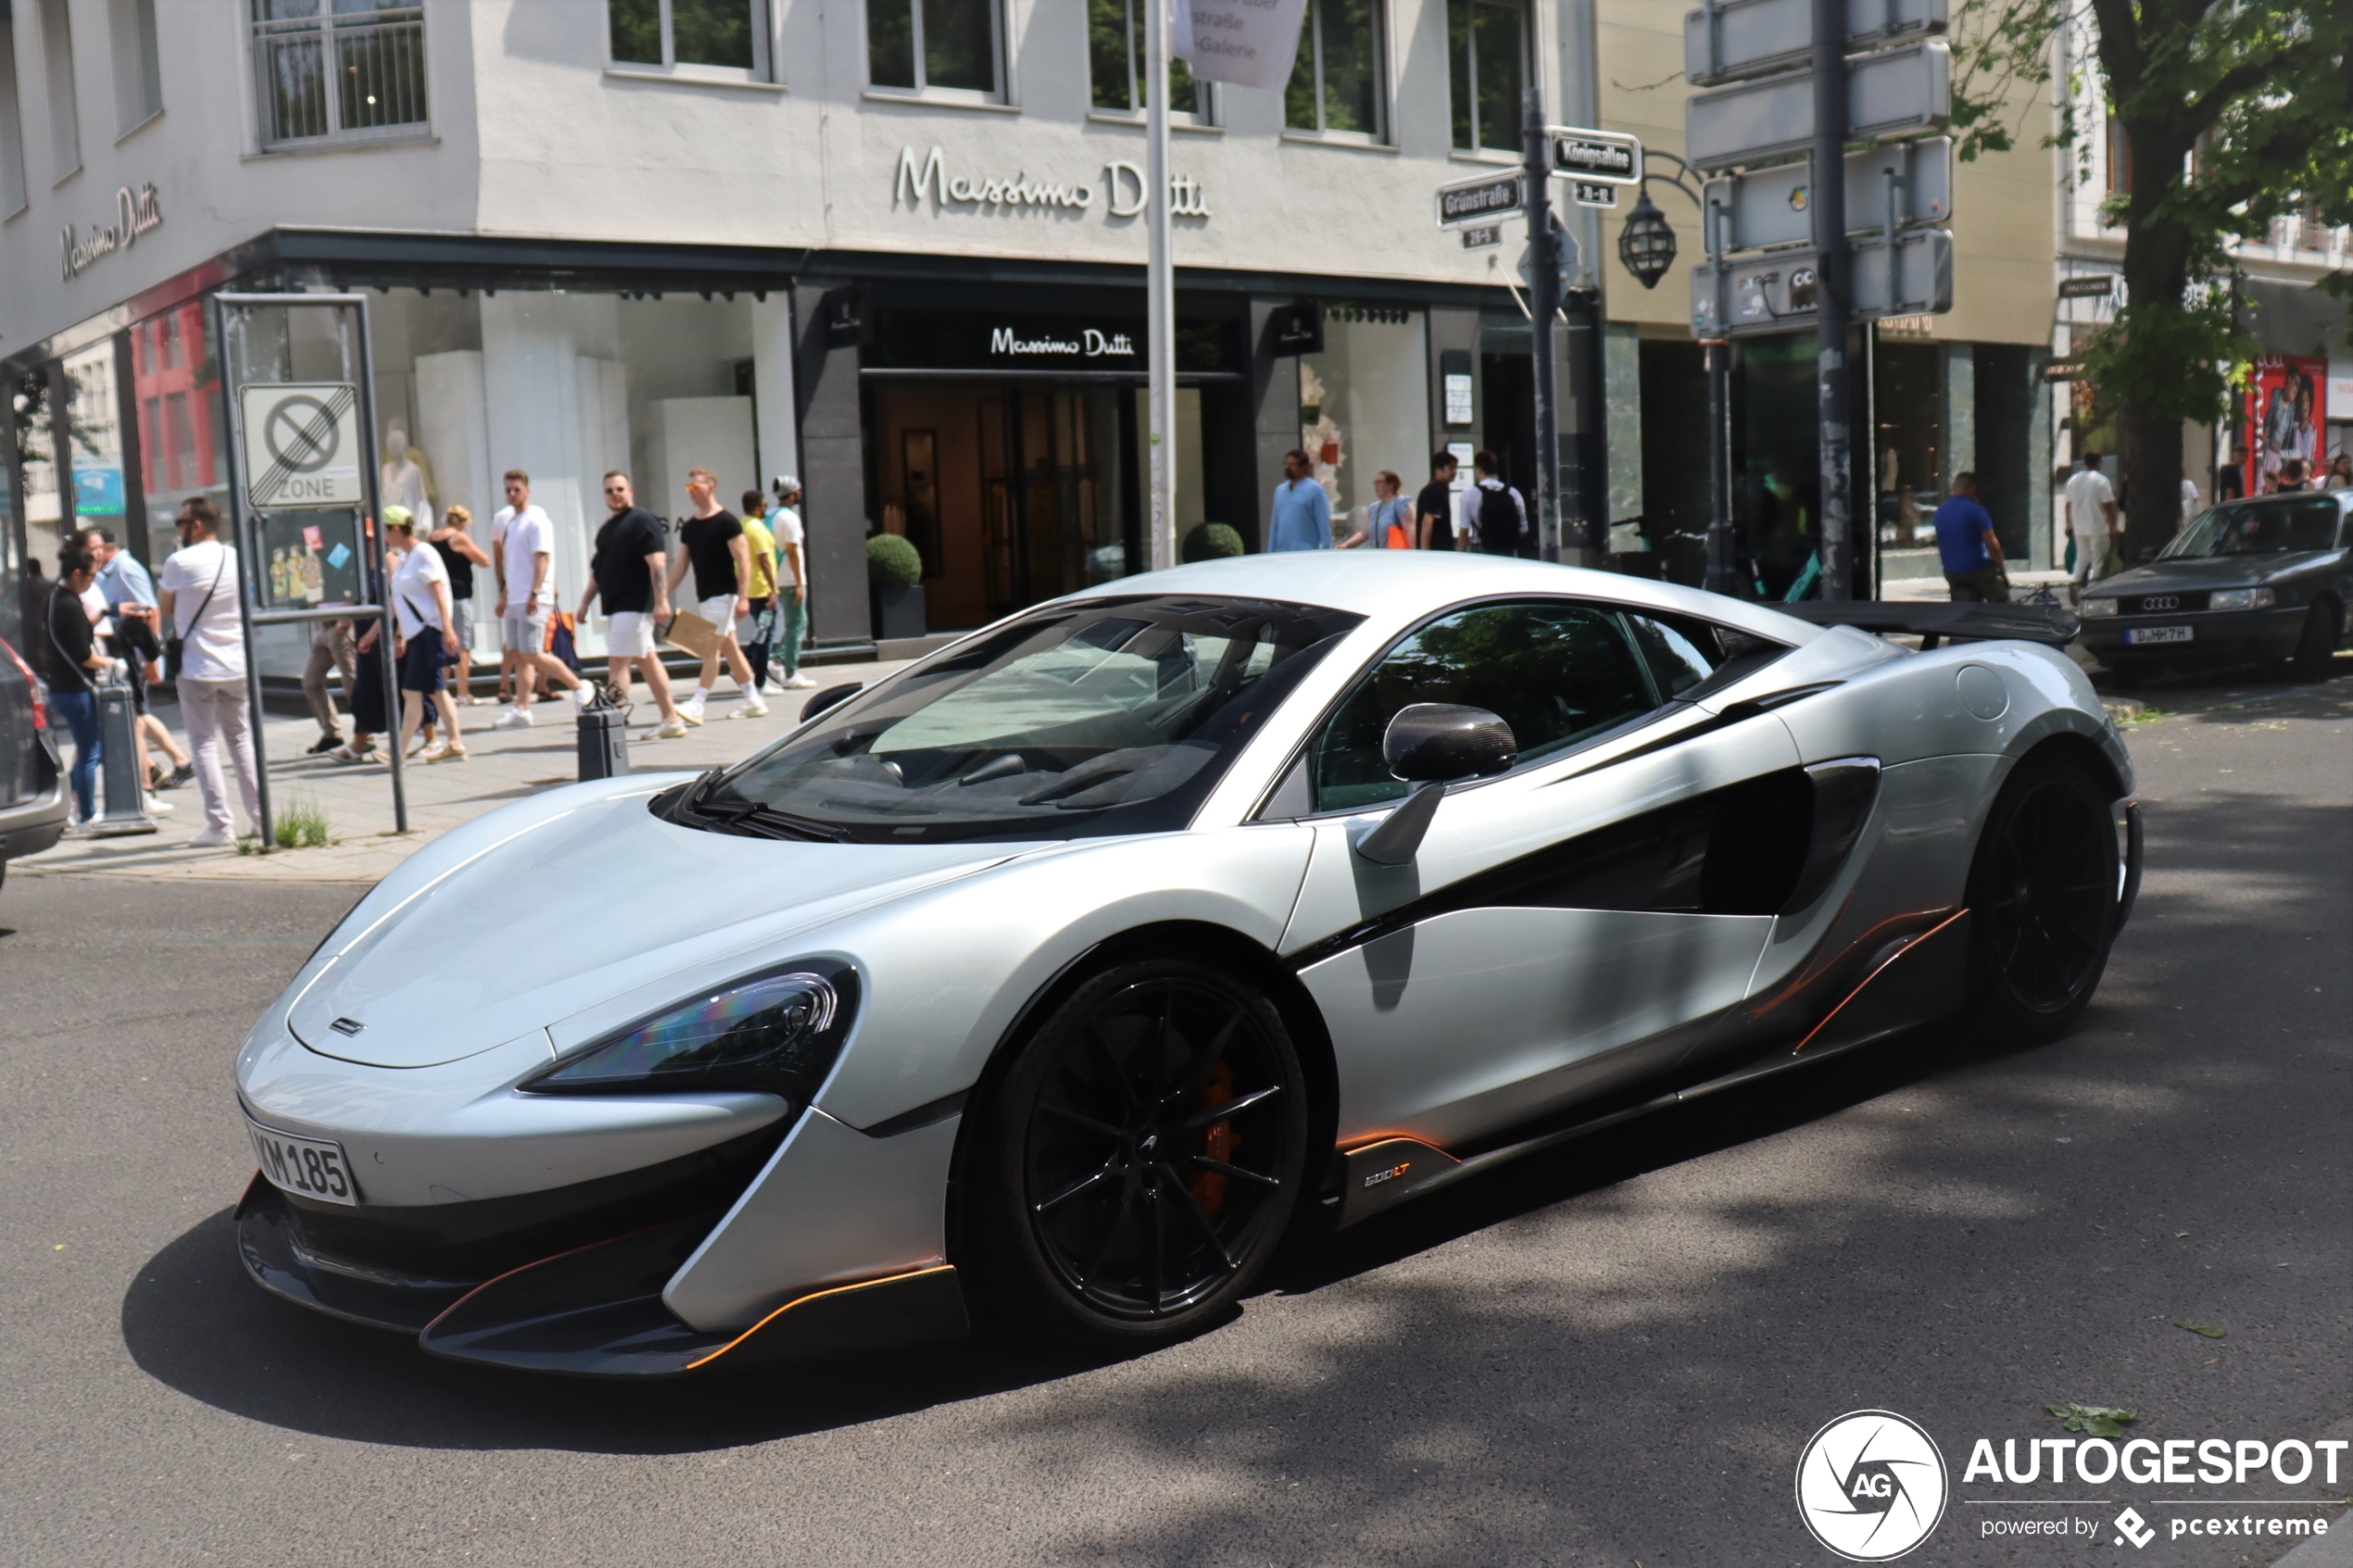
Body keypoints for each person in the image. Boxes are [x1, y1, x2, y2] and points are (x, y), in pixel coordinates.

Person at [157, 497, 260, 848]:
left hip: (198, 665)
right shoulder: (235, 556)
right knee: (241, 739)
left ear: (196, 525)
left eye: (180, 522)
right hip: (236, 662)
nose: (179, 529)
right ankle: (262, 819)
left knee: (203, 744)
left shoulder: (178, 562)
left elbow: (165, 607)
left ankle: (219, 825)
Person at [81, 525, 192, 797]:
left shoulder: (125, 569)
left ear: (105, 549)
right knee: (137, 715)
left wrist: (152, 658)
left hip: (136, 656)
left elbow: (150, 610)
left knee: (135, 717)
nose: (93, 554)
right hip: (124, 653)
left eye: (96, 549)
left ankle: (152, 777)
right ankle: (167, 764)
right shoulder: (107, 573)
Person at [579, 471, 688, 739]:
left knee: (619, 662)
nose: (615, 494)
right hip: (618, 606)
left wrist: (661, 600)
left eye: (619, 489)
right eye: (609, 491)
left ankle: (612, 720)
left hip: (636, 605)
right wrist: (584, 604)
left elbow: (657, 563)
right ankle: (669, 719)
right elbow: (598, 573)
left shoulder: (642, 521)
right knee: (645, 660)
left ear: (630, 490)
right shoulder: (606, 531)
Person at [663, 467, 767, 722]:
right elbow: (680, 565)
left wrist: (743, 597)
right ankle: (753, 699)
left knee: (711, 650)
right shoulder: (689, 527)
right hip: (706, 597)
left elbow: (743, 560)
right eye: (689, 488)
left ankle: (698, 703)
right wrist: (663, 595)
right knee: (730, 649)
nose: (691, 492)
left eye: (695, 487)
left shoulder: (727, 522)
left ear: (710, 487)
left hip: (725, 595)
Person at [488, 469, 586, 730]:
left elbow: (542, 558)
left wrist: (535, 592)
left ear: (527, 491)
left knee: (532, 653)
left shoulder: (536, 519)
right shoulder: (511, 522)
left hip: (532, 598)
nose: (512, 494)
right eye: (508, 489)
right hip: (515, 599)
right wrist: (504, 594)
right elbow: (510, 564)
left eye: (516, 489)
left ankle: (580, 687)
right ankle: (521, 709)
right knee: (518, 655)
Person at [41, 538, 115, 826]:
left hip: (62, 687)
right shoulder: (70, 604)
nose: (92, 581)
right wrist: (111, 662)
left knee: (86, 751)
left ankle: (71, 806)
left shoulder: (56, 599)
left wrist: (103, 615)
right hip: (75, 689)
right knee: (90, 752)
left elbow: (75, 632)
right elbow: (84, 655)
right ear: (76, 574)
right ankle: (86, 813)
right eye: (91, 576)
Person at [384, 511, 466, 763]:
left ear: (397, 529)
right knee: (435, 692)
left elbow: (437, 591)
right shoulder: (407, 558)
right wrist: (400, 634)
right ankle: (455, 743)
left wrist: (448, 628)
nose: (385, 536)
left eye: (386, 530)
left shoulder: (424, 554)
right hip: (418, 634)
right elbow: (402, 600)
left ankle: (397, 752)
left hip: (428, 632)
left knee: (412, 692)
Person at [429, 504, 491, 705]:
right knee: (462, 646)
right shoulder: (458, 537)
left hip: (440, 598)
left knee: (444, 644)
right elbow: (484, 560)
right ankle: (463, 693)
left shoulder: (433, 538)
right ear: (463, 522)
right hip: (460, 596)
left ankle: (441, 691)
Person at [1932, 472, 2009, 602]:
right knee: (2002, 604)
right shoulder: (1977, 510)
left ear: (1953, 487)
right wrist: (2002, 571)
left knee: (1962, 609)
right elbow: (1993, 545)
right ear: (1972, 488)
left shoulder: (1940, 510)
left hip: (1951, 571)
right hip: (1976, 569)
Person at [768, 476, 814, 690]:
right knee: (797, 623)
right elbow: (793, 551)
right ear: (794, 493)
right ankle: (790, 673)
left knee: (796, 622)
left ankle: (777, 660)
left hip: (775, 578)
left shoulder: (769, 515)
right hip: (790, 578)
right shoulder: (790, 518)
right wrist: (798, 582)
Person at [737, 489, 781, 692]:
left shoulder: (742, 525)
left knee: (761, 631)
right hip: (763, 590)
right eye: (764, 506)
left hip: (750, 589)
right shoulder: (757, 528)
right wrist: (773, 590)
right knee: (766, 636)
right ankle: (760, 681)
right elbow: (764, 560)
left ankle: (745, 662)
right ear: (756, 508)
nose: (765, 509)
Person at [2064, 449, 2118, 595]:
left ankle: (2075, 584)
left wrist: (2069, 523)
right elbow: (2107, 507)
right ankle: (2096, 590)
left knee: (2082, 557)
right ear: (2099, 462)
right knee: (2098, 559)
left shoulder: (2073, 480)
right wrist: (2114, 527)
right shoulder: (2101, 481)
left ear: (2084, 463)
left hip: (2079, 527)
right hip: (2098, 526)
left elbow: (2068, 505)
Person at [1464, 450, 1529, 557]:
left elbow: (1464, 530)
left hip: (1480, 548)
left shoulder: (1469, 493)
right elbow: (1524, 530)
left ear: (1479, 470)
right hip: (1508, 550)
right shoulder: (1513, 493)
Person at [1267, 449, 1331, 552]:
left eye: (1292, 465)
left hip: (1306, 553)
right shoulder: (1279, 491)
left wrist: (1327, 550)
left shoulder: (1315, 490)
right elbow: (1275, 525)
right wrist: (1271, 552)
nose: (1288, 467)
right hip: (1281, 553)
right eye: (1286, 464)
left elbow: (1323, 523)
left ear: (1303, 467)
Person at [1337, 470, 1412, 548]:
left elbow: (1410, 530)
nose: (1376, 486)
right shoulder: (1374, 508)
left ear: (1391, 485)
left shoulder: (1401, 502)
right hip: (1377, 556)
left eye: (1380, 482)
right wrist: (1345, 545)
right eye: (1375, 482)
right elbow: (1364, 533)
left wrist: (1414, 554)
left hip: (1395, 556)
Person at [1416, 453, 1458, 551]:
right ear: (1438, 469)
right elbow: (1427, 522)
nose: (1454, 472)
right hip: (1438, 553)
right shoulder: (1436, 490)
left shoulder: (1431, 489)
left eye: (1455, 468)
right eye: (1451, 468)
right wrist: (1425, 552)